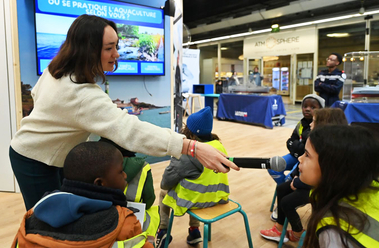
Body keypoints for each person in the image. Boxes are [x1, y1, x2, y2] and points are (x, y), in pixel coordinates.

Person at [9, 14, 238, 211]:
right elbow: (131, 130)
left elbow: (37, 96)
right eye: (109, 48)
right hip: (34, 158)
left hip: (47, 154)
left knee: (61, 212)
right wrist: (191, 146)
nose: (117, 54)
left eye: (116, 46)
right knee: (48, 221)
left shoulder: (56, 69)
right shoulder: (81, 94)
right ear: (88, 51)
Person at [12, 141, 154, 247]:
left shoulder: (31, 219)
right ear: (99, 183)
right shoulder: (126, 222)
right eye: (120, 171)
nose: (124, 175)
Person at [300, 125, 379, 247]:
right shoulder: (373, 188)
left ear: (333, 168)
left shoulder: (333, 231)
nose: (300, 159)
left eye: (307, 155)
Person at [260, 108, 348, 244]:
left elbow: (321, 178)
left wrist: (298, 183)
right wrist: (295, 178)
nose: (311, 124)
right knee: (282, 188)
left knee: (287, 202)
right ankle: (279, 228)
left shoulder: (330, 149)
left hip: (323, 189)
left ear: (324, 124)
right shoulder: (313, 138)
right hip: (310, 183)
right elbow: (300, 159)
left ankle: (297, 232)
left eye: (313, 121)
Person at [156, 107, 230, 248]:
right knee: (194, 185)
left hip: (197, 200)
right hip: (218, 198)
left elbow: (165, 183)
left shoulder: (188, 155)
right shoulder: (218, 146)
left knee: (163, 193)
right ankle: (194, 231)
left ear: (192, 134)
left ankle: (163, 230)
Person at [99, 138, 159, 241]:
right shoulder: (143, 167)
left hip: (102, 222)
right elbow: (149, 200)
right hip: (134, 221)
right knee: (153, 212)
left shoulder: (98, 165)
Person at [268, 94, 325, 187]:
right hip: (295, 156)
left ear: (321, 110)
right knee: (272, 167)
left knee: (289, 179)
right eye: (305, 106)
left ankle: (286, 189)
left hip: (307, 161)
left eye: (313, 107)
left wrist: (296, 145)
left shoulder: (320, 127)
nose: (307, 109)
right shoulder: (300, 123)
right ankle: (285, 188)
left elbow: (306, 149)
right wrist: (296, 147)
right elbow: (290, 141)